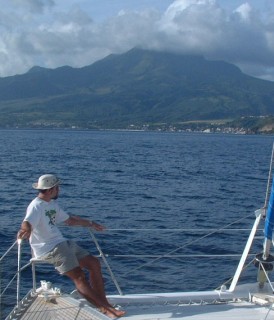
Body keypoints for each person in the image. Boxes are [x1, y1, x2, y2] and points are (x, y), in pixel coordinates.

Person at [17, 174, 125, 319]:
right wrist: (25, 230)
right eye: (57, 188)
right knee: (79, 276)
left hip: (62, 243)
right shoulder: (36, 206)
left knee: (94, 263)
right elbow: (27, 222)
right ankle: (105, 309)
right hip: (50, 248)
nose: (59, 190)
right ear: (50, 190)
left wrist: (91, 223)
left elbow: (70, 220)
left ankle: (104, 302)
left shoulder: (51, 204)